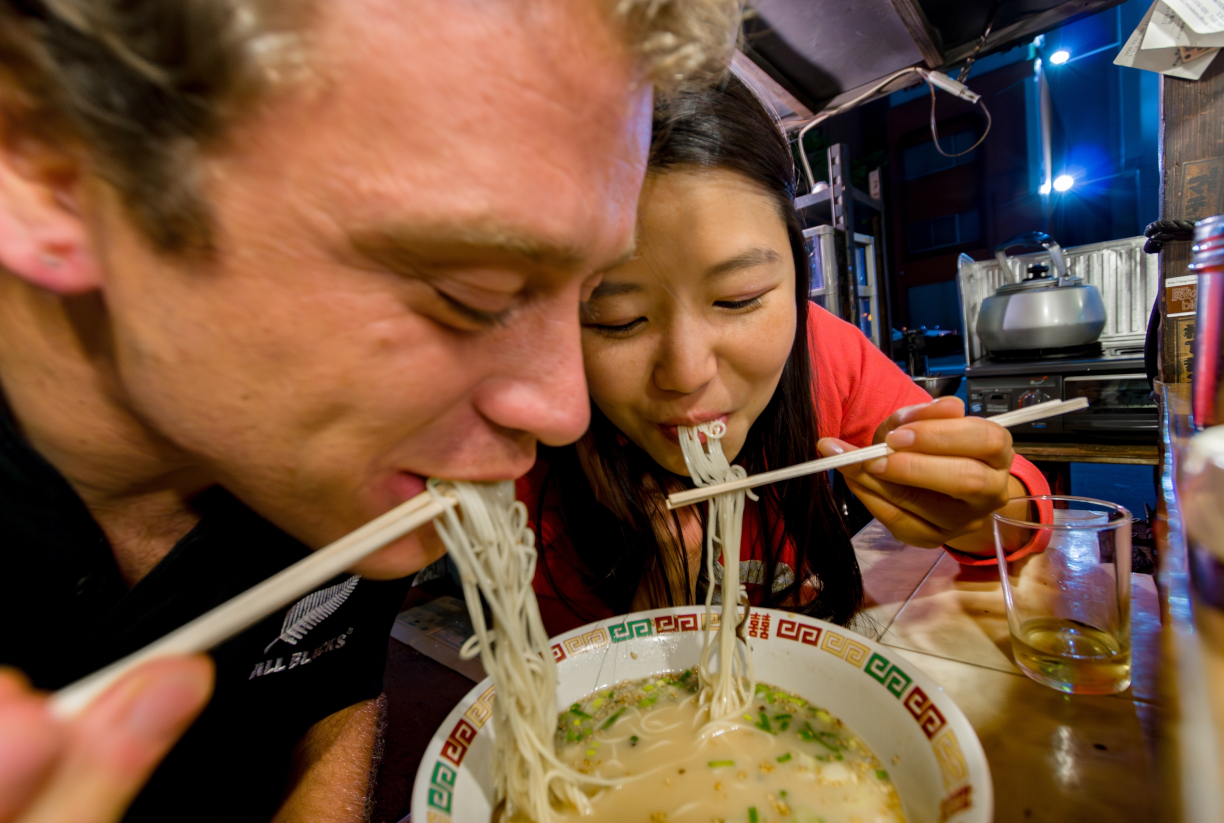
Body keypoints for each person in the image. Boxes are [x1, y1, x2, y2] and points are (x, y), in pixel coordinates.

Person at [0, 1, 740, 821]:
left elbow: (330, 689)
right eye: (472, 292)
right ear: (53, 170)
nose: (565, 410)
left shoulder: (335, 461)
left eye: (591, 298)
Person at [522, 77, 1050, 637]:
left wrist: (977, 510)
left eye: (739, 298)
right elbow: (579, 685)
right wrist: (663, 589)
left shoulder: (826, 352)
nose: (685, 373)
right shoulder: (531, 449)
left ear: (798, 277)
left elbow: (1021, 510)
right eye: (618, 321)